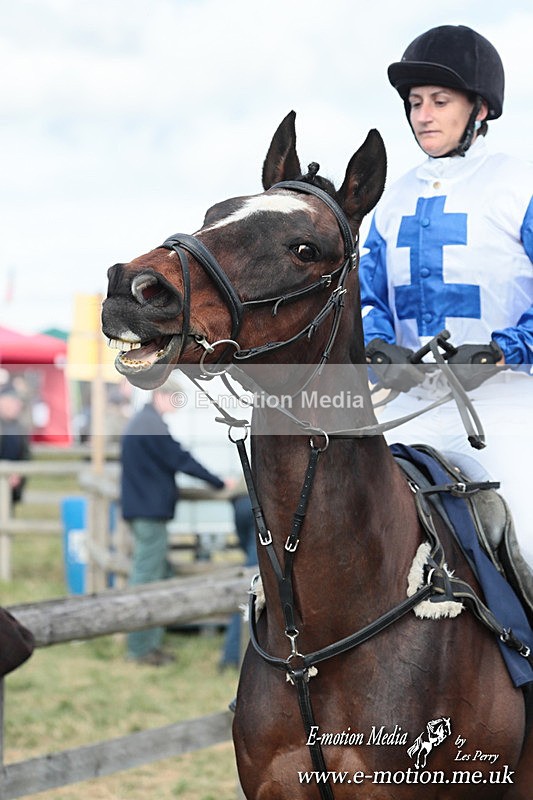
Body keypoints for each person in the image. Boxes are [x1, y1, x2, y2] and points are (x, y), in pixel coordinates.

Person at [359, 25, 533, 567]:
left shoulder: (520, 185)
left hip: (504, 408)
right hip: (409, 408)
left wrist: (505, 349)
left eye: (439, 101)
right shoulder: (391, 200)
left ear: (479, 109)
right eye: (415, 103)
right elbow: (367, 295)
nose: (423, 115)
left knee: (528, 545)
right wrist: (378, 347)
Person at [121, 382, 227, 666]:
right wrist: (217, 481)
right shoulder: (151, 425)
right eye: (175, 398)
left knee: (154, 573)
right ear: (161, 396)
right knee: (147, 578)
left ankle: (148, 643)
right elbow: (180, 458)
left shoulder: (145, 421)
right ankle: (139, 648)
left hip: (144, 510)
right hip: (149, 513)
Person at [0, 385, 31, 507]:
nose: (17, 405)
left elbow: (25, 455)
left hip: (12, 484)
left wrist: (18, 473)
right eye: (13, 401)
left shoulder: (20, 428)